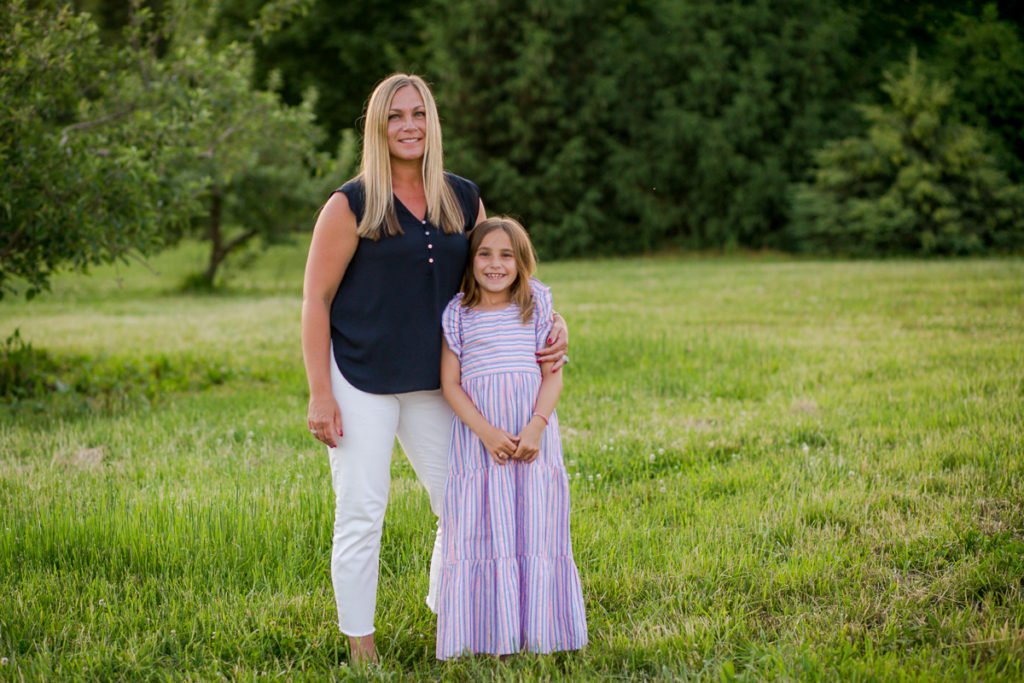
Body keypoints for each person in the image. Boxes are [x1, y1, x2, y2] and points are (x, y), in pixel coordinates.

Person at [300, 74, 568, 666]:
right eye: (395, 116)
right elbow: (315, 301)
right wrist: (322, 393)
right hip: (361, 376)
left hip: (439, 383)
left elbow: (497, 276)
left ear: (432, 121)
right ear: (378, 126)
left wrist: (552, 320)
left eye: (418, 113)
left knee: (464, 504)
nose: (408, 126)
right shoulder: (350, 205)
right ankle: (361, 647)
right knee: (363, 510)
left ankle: (451, 610)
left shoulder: (462, 197)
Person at [436, 216, 587, 660]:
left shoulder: (536, 307)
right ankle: (488, 636)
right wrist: (484, 432)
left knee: (534, 527)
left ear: (522, 263)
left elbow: (552, 376)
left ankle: (541, 632)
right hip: (481, 444)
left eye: (507, 255)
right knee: (486, 530)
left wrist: (537, 425)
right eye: (485, 254)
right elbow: (450, 384)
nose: (495, 264)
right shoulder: (457, 315)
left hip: (531, 437)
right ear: (471, 260)